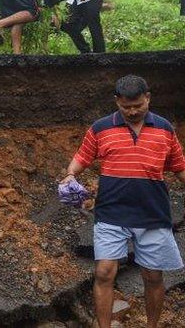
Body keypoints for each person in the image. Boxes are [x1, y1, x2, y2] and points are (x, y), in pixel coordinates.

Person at [60, 75, 185, 328]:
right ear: (117, 101)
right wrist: (70, 174)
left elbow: (179, 167)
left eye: (138, 105)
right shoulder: (100, 128)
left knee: (152, 275)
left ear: (147, 98)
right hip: (111, 212)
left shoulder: (164, 129)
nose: (132, 111)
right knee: (104, 272)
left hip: (152, 213)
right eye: (126, 107)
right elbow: (82, 157)